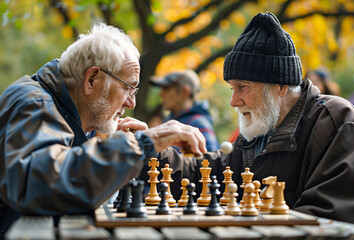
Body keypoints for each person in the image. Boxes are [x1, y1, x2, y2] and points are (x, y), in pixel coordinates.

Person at [0, 23, 206, 238]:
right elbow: (41, 186)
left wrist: (112, 144)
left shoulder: (64, 110)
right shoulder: (34, 103)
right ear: (91, 80)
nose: (131, 103)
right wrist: (142, 144)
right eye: (127, 87)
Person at [153, 12, 354, 225]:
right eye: (232, 88)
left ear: (280, 86)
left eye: (242, 87)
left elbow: (326, 219)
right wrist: (147, 147)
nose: (233, 101)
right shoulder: (260, 128)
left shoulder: (336, 121)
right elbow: (205, 175)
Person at [151, 70, 220, 151]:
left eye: (166, 89)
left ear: (185, 92)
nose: (161, 94)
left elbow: (209, 160)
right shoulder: (170, 120)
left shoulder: (198, 124)